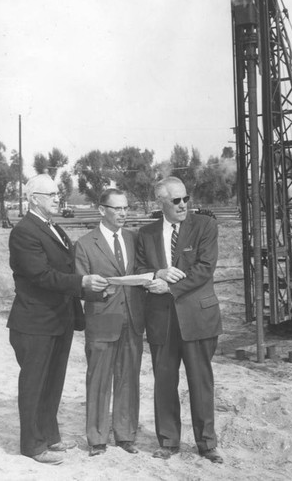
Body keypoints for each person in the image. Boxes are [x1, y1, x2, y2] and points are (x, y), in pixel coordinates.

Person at [7, 174, 109, 466]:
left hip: (58, 320)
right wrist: (82, 283)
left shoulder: (54, 229)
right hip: (35, 322)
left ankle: (49, 435)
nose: (57, 198)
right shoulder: (24, 231)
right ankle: (32, 445)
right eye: (50, 194)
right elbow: (40, 275)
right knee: (34, 384)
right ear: (33, 198)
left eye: (57, 193)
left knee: (53, 382)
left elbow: (62, 270)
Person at [136, 176, 223, 464]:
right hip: (161, 319)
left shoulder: (205, 226)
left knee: (201, 382)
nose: (184, 204)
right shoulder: (146, 234)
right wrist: (157, 275)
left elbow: (205, 268)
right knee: (164, 382)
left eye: (186, 198)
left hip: (197, 317)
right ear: (160, 203)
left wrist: (171, 287)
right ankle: (169, 441)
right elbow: (140, 268)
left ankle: (207, 444)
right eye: (176, 201)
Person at [75, 188, 145, 457]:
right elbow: (80, 286)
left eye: (126, 208)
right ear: (102, 210)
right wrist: (98, 289)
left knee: (128, 378)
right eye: (117, 208)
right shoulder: (84, 244)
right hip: (103, 320)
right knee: (99, 380)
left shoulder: (133, 238)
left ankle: (126, 435)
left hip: (133, 319)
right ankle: (97, 439)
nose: (123, 213)